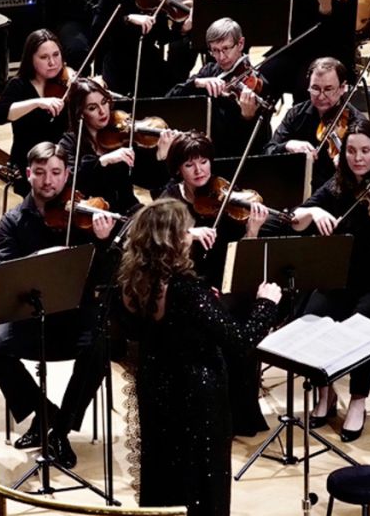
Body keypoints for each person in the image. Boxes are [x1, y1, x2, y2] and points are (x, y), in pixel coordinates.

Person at [118, 198, 282, 511]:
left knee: (166, 472)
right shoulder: (186, 290)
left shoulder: (132, 283)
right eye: (186, 232)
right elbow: (240, 341)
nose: (190, 236)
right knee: (204, 479)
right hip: (196, 393)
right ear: (172, 240)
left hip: (156, 387)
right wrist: (266, 304)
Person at [0, 141, 116, 468]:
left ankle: (60, 430)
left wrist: (103, 242)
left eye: (56, 173)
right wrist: (40, 260)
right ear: (28, 174)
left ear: (67, 174)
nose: (48, 181)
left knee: (98, 351)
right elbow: (2, 272)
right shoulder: (12, 222)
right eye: (40, 172)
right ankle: (45, 414)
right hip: (31, 316)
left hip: (76, 314)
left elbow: (106, 275)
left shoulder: (84, 216)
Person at [289, 120, 370, 442]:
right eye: (351, 150)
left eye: (365, 150)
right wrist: (313, 213)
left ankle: (358, 399)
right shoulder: (338, 185)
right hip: (344, 277)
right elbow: (295, 221)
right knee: (311, 317)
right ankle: (325, 390)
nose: (358, 158)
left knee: (365, 323)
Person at [157, 131, 271, 436]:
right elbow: (158, 250)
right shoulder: (169, 200)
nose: (199, 170)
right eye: (190, 164)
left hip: (227, 281)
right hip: (188, 286)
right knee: (222, 317)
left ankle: (241, 413)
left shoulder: (225, 194)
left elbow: (241, 257)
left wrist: (252, 231)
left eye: (204, 161)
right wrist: (187, 234)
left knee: (242, 309)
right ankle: (214, 414)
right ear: (178, 169)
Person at [59, 77, 177, 208]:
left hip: (126, 210)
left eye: (104, 102)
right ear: (80, 113)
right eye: (92, 108)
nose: (102, 111)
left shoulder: (121, 133)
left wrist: (161, 156)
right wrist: (103, 161)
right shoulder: (69, 143)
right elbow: (73, 181)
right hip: (91, 213)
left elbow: (151, 182)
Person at [93, 0, 189, 98]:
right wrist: (128, 18)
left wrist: (182, 29)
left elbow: (162, 36)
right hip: (118, 64)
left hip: (148, 61)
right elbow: (98, 31)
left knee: (177, 93)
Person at [167, 17, 274, 158]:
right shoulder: (209, 71)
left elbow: (261, 142)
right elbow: (171, 99)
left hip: (236, 157)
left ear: (240, 44)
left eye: (226, 49)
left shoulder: (258, 83)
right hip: (206, 153)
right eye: (215, 50)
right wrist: (197, 83)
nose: (221, 57)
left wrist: (247, 118)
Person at [0, 29, 70, 196]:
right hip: (27, 162)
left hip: (59, 161)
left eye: (56, 55)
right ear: (31, 59)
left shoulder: (67, 84)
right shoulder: (19, 85)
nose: (52, 62)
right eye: (44, 57)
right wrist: (37, 102)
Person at [264, 57, 363, 191]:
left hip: (338, 193)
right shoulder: (296, 114)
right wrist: (287, 145)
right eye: (315, 88)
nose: (321, 96)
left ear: (342, 88)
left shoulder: (357, 122)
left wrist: (352, 164)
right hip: (296, 189)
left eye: (328, 89)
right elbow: (268, 152)